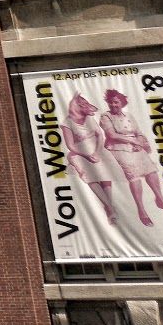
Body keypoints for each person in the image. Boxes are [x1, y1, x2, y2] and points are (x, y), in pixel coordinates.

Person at [101, 88, 163, 227]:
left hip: (135, 146)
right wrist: (133, 141)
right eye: (111, 103)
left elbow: (138, 133)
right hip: (118, 148)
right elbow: (112, 135)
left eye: (116, 102)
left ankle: (160, 200)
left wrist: (140, 142)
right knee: (134, 176)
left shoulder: (129, 116)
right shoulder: (106, 116)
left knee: (151, 171)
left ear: (122, 103)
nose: (113, 105)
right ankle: (142, 210)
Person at [64, 92, 120, 225]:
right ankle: (110, 208)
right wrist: (87, 155)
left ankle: (109, 206)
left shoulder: (89, 118)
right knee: (91, 176)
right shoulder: (67, 123)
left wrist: (97, 151)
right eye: (84, 105)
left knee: (105, 174)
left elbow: (100, 135)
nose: (89, 108)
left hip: (96, 148)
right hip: (80, 152)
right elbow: (70, 146)